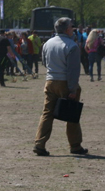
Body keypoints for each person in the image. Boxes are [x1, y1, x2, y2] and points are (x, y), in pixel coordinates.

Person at [33, 17, 87, 156]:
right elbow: (73, 71)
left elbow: (44, 62)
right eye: (72, 26)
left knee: (47, 113)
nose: (73, 28)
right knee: (72, 115)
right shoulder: (72, 46)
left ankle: (39, 144)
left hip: (50, 81)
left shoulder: (47, 43)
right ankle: (75, 146)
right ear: (67, 29)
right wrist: (73, 89)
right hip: (65, 82)